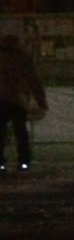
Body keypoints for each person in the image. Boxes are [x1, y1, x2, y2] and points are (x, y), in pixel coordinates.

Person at [0, 31, 41, 171]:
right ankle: (24, 160)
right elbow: (34, 80)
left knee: (1, 131)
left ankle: (1, 161)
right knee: (21, 132)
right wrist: (41, 101)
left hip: (2, 99)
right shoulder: (24, 59)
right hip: (19, 100)